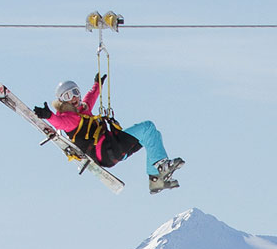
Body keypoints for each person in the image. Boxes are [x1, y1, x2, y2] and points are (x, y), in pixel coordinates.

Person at [33, 75, 183, 194]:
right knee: (148, 128)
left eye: (76, 92)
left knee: (153, 135)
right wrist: (48, 116)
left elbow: (89, 98)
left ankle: (155, 179)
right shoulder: (70, 119)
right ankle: (161, 167)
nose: (74, 97)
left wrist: (97, 85)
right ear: (62, 100)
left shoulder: (81, 110)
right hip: (107, 149)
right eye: (68, 95)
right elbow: (60, 123)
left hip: (112, 151)